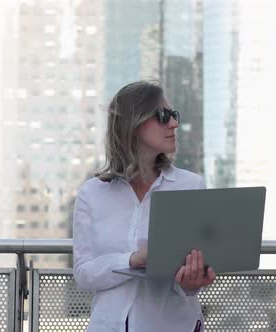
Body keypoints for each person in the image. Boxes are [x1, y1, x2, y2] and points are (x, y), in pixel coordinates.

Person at [73, 81, 216, 332]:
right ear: (133, 123)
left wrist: (192, 282)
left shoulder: (190, 185)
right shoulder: (92, 193)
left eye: (174, 116)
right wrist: (133, 260)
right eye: (163, 115)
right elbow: (84, 274)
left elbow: (189, 283)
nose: (173, 123)